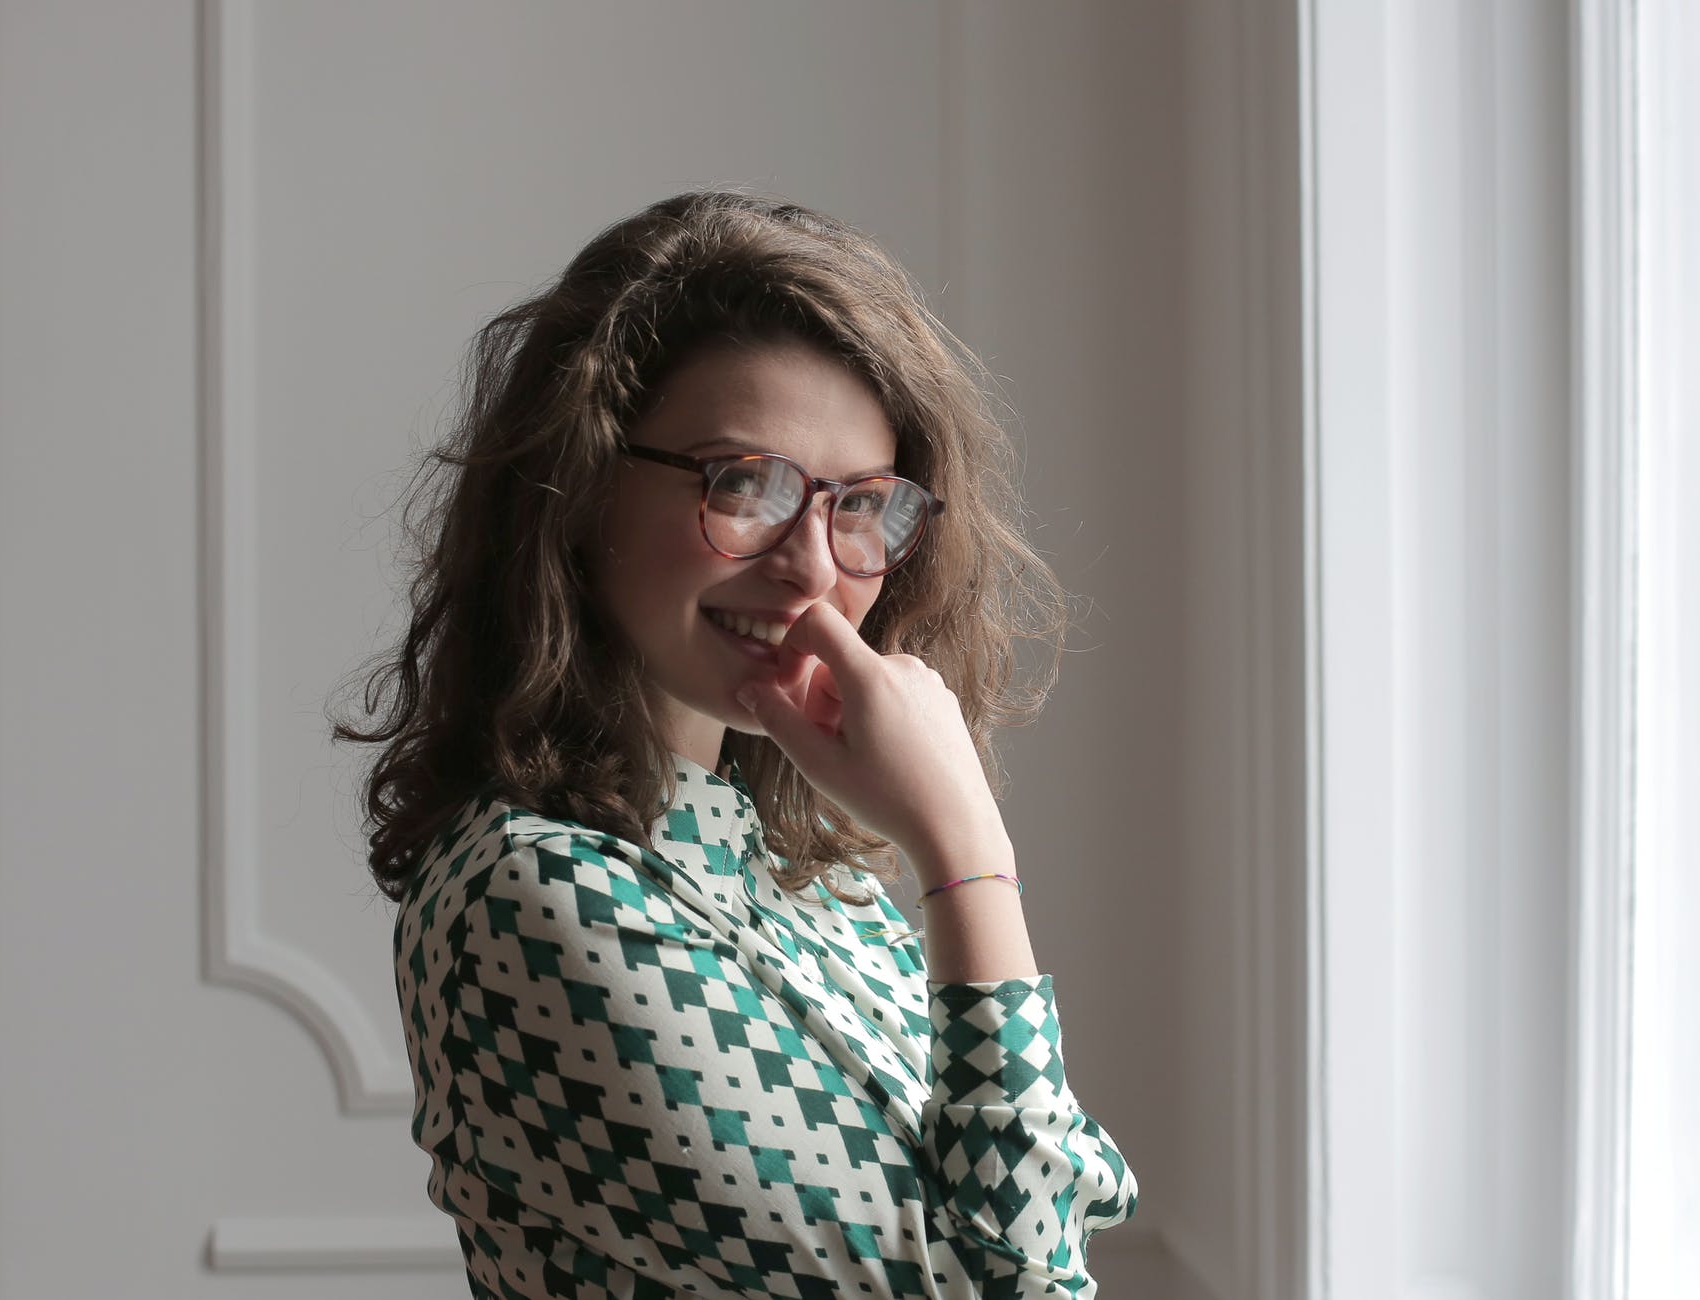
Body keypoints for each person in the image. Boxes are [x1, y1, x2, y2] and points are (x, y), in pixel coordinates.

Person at [334, 188, 1139, 1298]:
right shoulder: (534, 890)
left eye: (860, 501)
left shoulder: (811, 874)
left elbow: (1042, 1224)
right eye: (743, 483)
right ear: (581, 486)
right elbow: (1015, 1285)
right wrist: (966, 849)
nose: (813, 565)